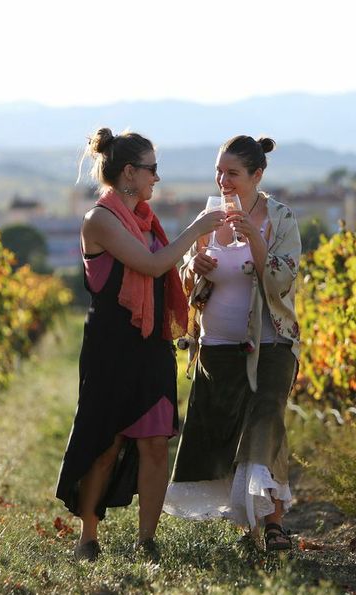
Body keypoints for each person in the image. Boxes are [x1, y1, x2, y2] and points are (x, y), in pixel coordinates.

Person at [56, 127, 223, 562]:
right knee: (106, 444)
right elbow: (150, 265)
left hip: (151, 344)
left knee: (154, 443)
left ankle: (146, 542)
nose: (157, 178)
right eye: (152, 169)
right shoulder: (100, 220)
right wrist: (195, 230)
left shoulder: (146, 220)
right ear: (128, 173)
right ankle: (88, 537)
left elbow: (165, 268)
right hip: (111, 349)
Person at [163, 135, 302, 551]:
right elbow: (188, 280)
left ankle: (273, 526)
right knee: (228, 437)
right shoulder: (209, 215)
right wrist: (196, 265)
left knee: (264, 423)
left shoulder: (280, 217)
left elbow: (281, 277)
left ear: (257, 175)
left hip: (272, 344)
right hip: (216, 349)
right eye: (219, 171)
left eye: (233, 173)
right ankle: (253, 531)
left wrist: (253, 237)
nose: (223, 180)